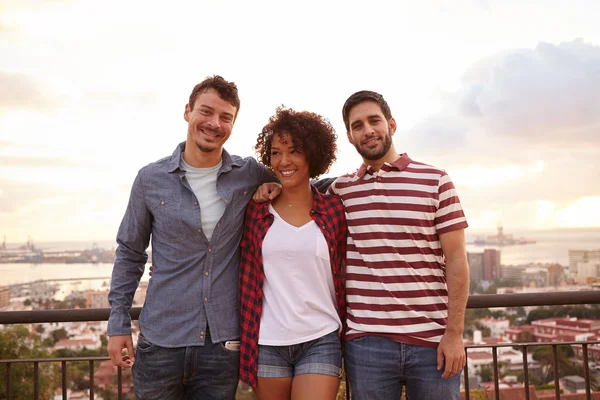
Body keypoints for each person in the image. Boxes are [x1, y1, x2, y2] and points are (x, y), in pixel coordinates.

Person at [254, 90, 470, 400]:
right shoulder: (342, 190)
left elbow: (458, 261)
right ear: (350, 137)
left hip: (432, 343)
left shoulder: (436, 180)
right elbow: (298, 186)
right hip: (367, 346)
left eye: (374, 121)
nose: (367, 130)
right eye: (358, 126)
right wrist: (274, 185)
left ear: (391, 125)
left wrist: (454, 333)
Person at [106, 75, 281, 399]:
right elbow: (130, 252)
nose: (214, 123)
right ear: (187, 111)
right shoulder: (150, 179)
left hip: (222, 347)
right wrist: (118, 324)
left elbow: (298, 178)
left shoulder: (249, 173)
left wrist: (348, 185)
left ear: (233, 124)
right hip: (160, 341)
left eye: (225, 117)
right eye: (206, 111)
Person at [238, 107, 347, 400]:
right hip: (267, 341)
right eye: (275, 153)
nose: (284, 161)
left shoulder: (335, 211)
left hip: (320, 338)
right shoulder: (256, 211)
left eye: (294, 151)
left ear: (312, 154)